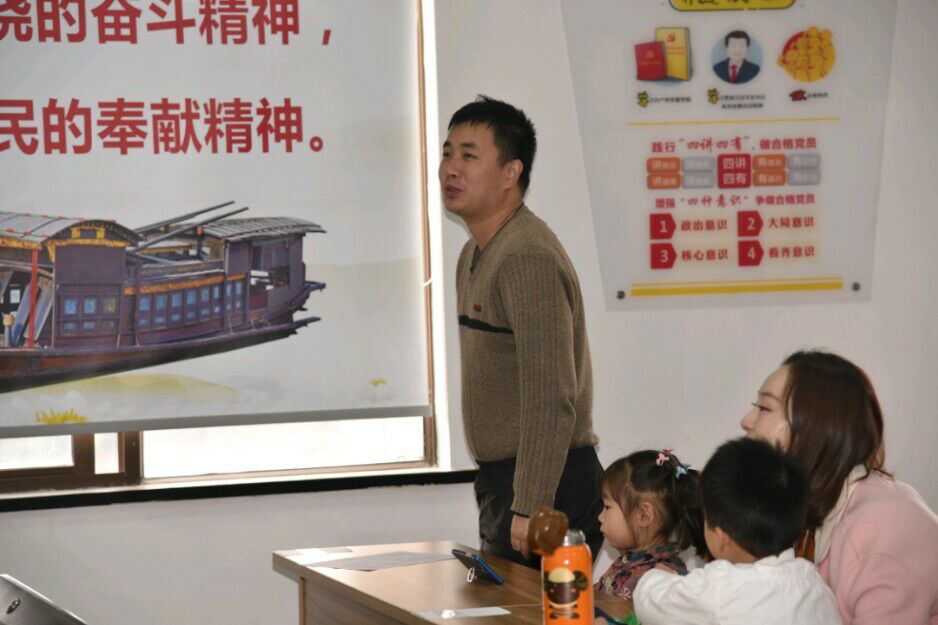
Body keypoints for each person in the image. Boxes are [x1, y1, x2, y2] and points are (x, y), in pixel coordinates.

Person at [440, 95, 601, 568]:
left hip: (548, 487)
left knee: (537, 609)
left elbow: (552, 396)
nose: (451, 168)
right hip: (507, 481)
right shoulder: (474, 253)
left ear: (511, 173)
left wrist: (531, 504)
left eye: (469, 155)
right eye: (447, 153)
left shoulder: (526, 257)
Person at [742, 350, 938, 624]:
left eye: (764, 407)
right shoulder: (808, 510)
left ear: (816, 425)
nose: (746, 421)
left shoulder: (881, 531)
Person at [633, 437, 843, 625]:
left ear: (722, 537)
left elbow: (649, 604)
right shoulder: (817, 586)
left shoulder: (721, 587)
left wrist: (657, 576)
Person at [594, 449, 707, 600]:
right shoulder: (628, 562)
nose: (600, 517)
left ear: (644, 516)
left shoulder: (663, 582)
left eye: (607, 507)